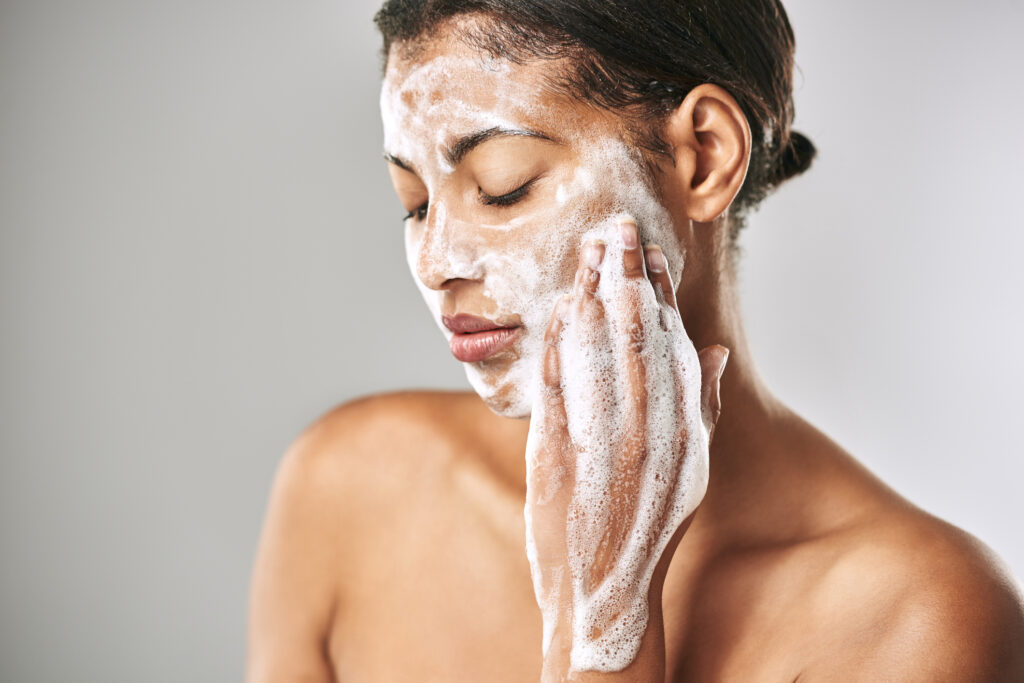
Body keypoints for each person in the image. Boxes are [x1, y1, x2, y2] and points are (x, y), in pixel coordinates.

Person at [246, 1, 1024, 680]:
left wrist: (604, 630)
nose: (436, 262)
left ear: (704, 156)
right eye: (414, 202)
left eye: (502, 184)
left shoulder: (916, 619)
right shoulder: (349, 487)